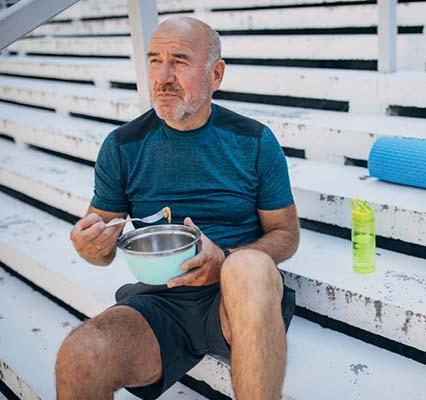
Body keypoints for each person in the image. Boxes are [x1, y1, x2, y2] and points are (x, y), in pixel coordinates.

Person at [56, 16, 300, 400]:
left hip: (239, 298)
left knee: (247, 266)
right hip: (158, 301)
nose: (163, 76)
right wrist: (90, 245)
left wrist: (225, 260)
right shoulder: (122, 146)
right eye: (155, 60)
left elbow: (286, 235)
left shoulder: (253, 141)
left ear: (215, 74)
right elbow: (100, 235)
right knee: (79, 354)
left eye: (180, 61)